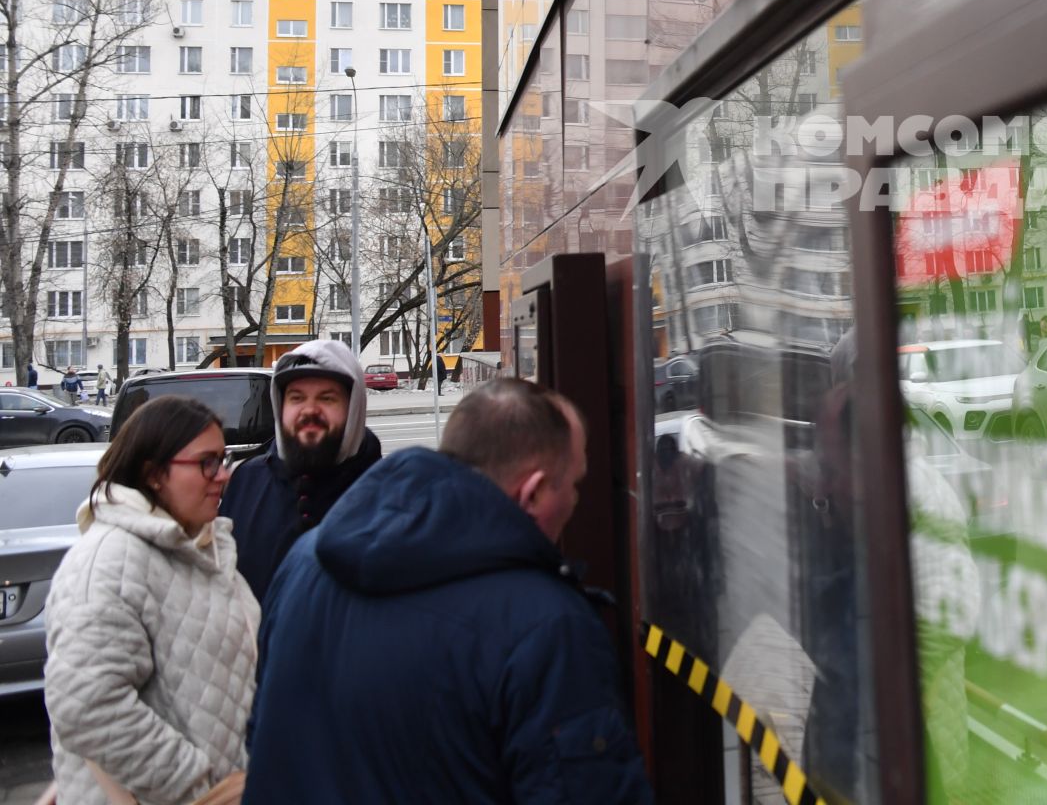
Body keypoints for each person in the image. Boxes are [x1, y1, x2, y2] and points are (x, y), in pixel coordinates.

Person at [244, 380, 652, 803]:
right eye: (574, 484)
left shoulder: (304, 562)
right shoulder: (548, 627)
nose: (574, 500)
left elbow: (264, 736)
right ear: (532, 493)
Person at [42, 396, 255, 805]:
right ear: (154, 474)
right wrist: (200, 788)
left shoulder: (202, 548)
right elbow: (86, 707)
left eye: (223, 460)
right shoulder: (111, 560)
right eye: (207, 462)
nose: (223, 475)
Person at [218, 339, 381, 602]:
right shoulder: (246, 482)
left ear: (353, 408)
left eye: (327, 398)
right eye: (296, 398)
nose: (309, 410)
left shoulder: (386, 494)